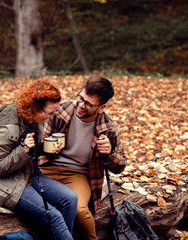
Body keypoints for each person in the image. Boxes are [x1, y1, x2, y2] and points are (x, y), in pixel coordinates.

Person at [0, 80, 78, 240]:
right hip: (2, 185)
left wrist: (46, 148)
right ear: (35, 107)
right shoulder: (6, 128)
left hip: (26, 176)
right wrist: (23, 150)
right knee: (54, 216)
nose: (50, 118)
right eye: (49, 113)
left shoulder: (33, 119)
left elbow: (32, 151)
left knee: (70, 199)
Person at [39, 76, 127, 240]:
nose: (81, 105)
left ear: (102, 107)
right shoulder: (60, 111)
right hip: (47, 168)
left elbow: (120, 166)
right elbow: (40, 145)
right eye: (80, 98)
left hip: (78, 175)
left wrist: (110, 152)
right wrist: (47, 148)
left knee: (79, 209)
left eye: (88, 104)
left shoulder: (108, 127)